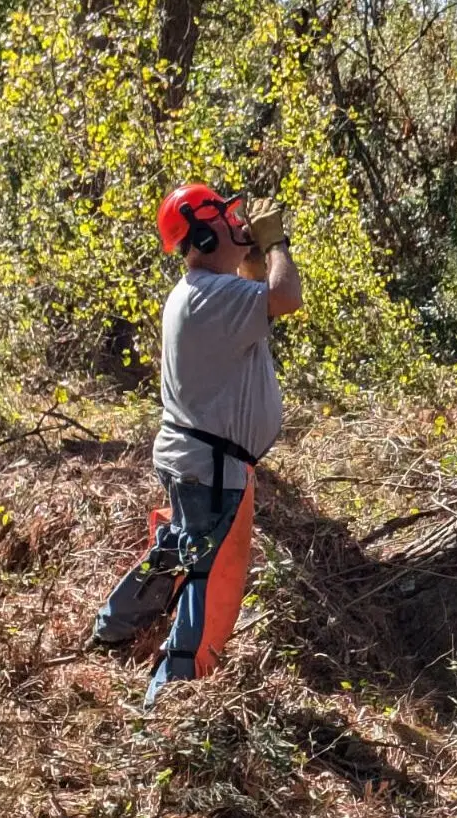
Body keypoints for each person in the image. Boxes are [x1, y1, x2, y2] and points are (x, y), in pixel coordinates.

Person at [89, 182, 302, 707]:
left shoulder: (208, 293)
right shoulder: (214, 296)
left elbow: (263, 301)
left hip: (196, 459)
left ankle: (113, 626)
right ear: (204, 236)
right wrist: (277, 245)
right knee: (205, 580)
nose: (238, 225)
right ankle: (169, 698)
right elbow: (286, 297)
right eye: (227, 221)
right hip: (211, 467)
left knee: (176, 550)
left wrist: (252, 253)